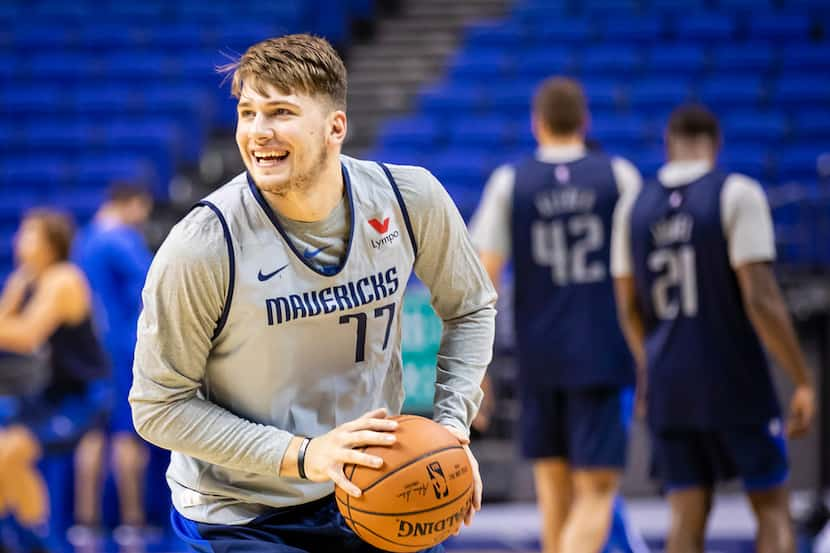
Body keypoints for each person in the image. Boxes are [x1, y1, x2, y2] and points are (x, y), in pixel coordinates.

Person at [128, 34, 496, 553]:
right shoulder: (204, 245)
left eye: (279, 112)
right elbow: (157, 406)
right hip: (240, 515)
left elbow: (472, 307)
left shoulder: (410, 200)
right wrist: (305, 454)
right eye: (247, 112)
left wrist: (452, 428)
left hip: (371, 486)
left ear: (335, 127)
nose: (258, 132)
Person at [612, 104, 816, 553]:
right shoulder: (736, 192)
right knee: (771, 508)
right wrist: (801, 378)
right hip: (734, 376)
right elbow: (760, 298)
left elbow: (627, 305)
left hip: (670, 383)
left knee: (686, 513)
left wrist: (648, 368)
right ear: (715, 145)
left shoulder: (633, 206)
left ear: (668, 145)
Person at [469, 77, 648, 553]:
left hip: (538, 355)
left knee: (554, 498)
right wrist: (645, 354)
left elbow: (481, 279)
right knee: (597, 495)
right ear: (584, 122)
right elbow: (631, 280)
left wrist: (478, 365)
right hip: (601, 352)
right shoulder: (620, 176)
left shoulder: (511, 181)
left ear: (537, 124)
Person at [0, 209, 109, 553]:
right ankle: (28, 537)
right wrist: (14, 293)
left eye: (30, 233)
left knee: (10, 452)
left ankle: (40, 543)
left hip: (83, 397)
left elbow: (28, 335)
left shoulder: (64, 279)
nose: (20, 239)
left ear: (52, 243)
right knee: (7, 459)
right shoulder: (29, 277)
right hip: (51, 392)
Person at [70, 183, 154, 549]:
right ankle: (132, 522)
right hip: (123, 350)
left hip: (87, 350)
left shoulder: (82, 240)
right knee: (127, 436)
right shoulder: (123, 241)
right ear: (134, 204)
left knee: (90, 435)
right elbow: (154, 290)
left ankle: (85, 522)